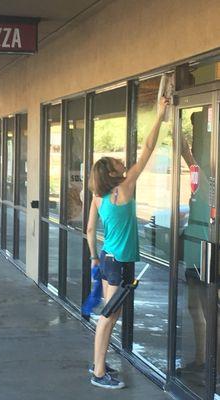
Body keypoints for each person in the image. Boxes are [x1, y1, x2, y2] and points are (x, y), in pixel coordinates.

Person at [86, 96, 169, 389]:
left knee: (109, 315)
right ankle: (98, 372)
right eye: (116, 161)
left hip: (111, 258)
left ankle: (98, 362)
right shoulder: (124, 188)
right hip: (119, 262)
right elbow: (147, 149)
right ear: (111, 173)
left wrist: (95, 257)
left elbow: (88, 229)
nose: (122, 161)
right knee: (108, 317)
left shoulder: (100, 197)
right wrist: (159, 115)